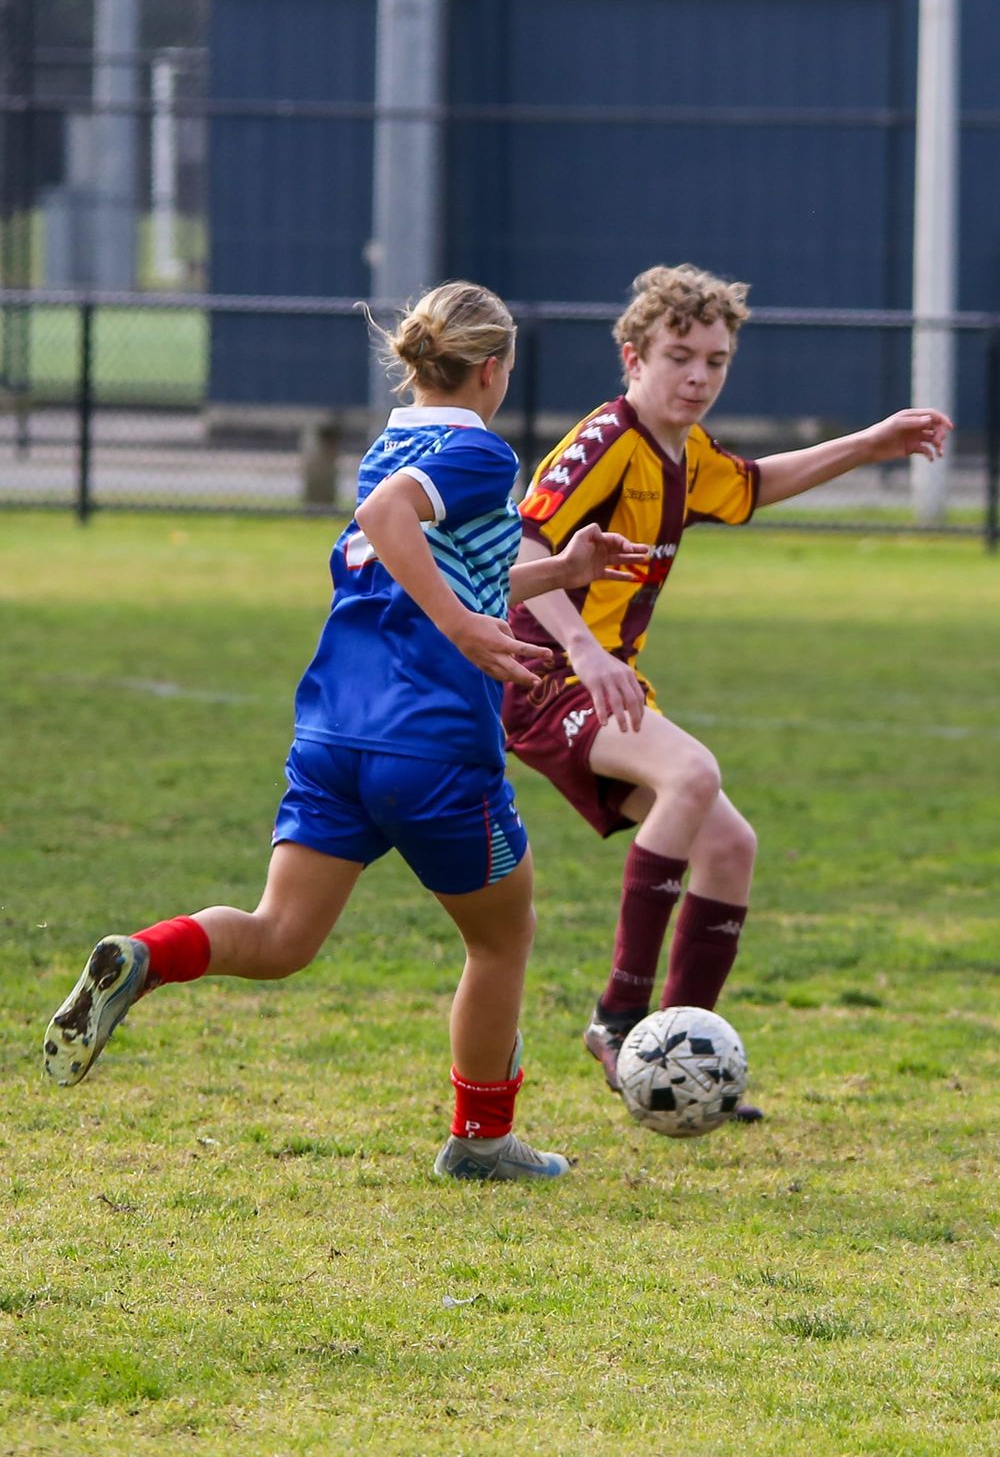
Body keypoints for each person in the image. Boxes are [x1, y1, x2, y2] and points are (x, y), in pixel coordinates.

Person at [43, 280, 647, 1182]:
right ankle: (482, 1141)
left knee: (281, 934)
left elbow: (423, 565)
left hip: (335, 732)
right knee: (500, 938)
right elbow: (390, 526)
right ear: (492, 370)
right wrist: (460, 627)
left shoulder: (390, 443)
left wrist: (558, 567)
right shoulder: (479, 453)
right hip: (432, 742)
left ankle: (146, 954)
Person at [501, 263, 952, 1108]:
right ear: (633, 357)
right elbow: (525, 550)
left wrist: (869, 441)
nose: (699, 376)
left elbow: (752, 485)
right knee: (693, 772)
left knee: (729, 845)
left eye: (715, 359)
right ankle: (619, 1015)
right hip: (544, 672)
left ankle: (678, 1059)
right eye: (680, 356)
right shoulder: (608, 439)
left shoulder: (686, 452)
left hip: (604, 678)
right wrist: (586, 653)